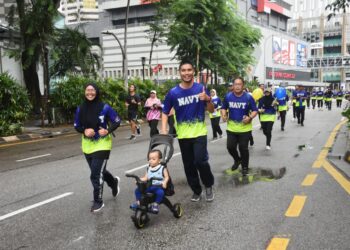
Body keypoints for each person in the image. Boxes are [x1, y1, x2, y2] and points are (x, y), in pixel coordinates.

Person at [161, 60, 215, 202]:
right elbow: (165, 112)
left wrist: (208, 99)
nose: (186, 73)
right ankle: (196, 190)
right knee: (189, 165)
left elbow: (212, 110)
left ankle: (208, 185)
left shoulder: (201, 88)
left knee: (200, 161)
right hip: (183, 135)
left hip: (199, 133)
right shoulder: (173, 93)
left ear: (193, 72)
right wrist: (164, 128)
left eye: (189, 70)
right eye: (183, 70)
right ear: (180, 73)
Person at [74, 83, 121, 212]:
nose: (90, 92)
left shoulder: (104, 107)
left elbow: (117, 120)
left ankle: (98, 201)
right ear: (84, 92)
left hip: (103, 144)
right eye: (87, 90)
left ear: (97, 92)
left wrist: (107, 131)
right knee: (99, 172)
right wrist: (84, 131)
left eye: (92, 90)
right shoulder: (80, 108)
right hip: (87, 145)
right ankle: (113, 182)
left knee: (95, 174)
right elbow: (77, 125)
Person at [221, 77, 258, 176]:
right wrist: (223, 115)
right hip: (231, 128)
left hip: (245, 129)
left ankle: (245, 167)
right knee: (230, 147)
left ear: (243, 86)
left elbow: (255, 110)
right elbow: (223, 108)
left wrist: (249, 117)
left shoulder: (248, 97)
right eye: (235, 84)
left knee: (243, 148)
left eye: (239, 84)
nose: (237, 86)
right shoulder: (228, 97)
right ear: (233, 86)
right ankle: (237, 160)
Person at [130, 150, 169, 214]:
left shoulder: (162, 168)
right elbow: (146, 178)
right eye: (149, 159)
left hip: (158, 186)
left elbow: (167, 177)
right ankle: (138, 202)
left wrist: (164, 182)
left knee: (160, 192)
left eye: (153, 159)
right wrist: (139, 180)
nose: (151, 160)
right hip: (149, 186)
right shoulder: (149, 168)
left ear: (159, 160)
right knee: (137, 190)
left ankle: (155, 204)